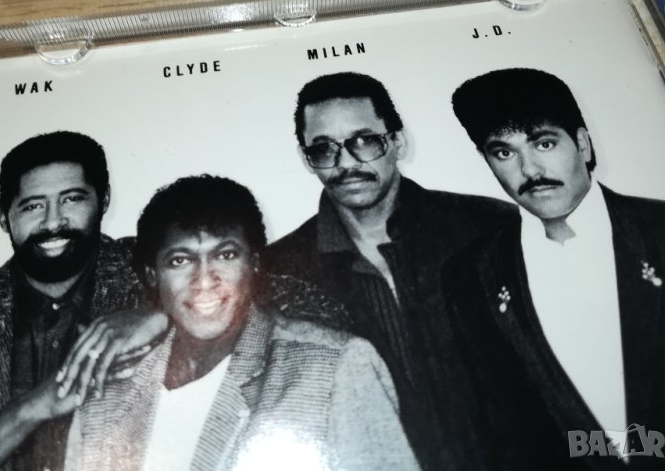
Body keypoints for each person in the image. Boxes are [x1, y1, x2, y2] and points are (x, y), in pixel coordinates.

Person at [65, 175, 419, 471]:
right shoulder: (107, 391)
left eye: (225, 255)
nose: (204, 280)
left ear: (255, 264)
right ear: (151, 275)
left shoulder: (335, 365)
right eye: (180, 260)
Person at [263, 71, 516, 470]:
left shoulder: (490, 227)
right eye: (324, 149)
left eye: (365, 141)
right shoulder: (279, 273)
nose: (347, 163)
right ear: (305, 157)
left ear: (398, 141)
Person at [448, 68, 665, 469]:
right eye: (504, 153)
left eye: (544, 143)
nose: (530, 170)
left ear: (583, 145)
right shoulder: (471, 275)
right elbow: (500, 430)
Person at [0, 131, 163, 471]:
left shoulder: (158, 270)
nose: (53, 222)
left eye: (71, 199)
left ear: (103, 201)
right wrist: (30, 409)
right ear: (4, 218)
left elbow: (239, 283)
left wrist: (160, 314)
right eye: (33, 206)